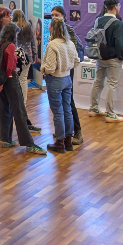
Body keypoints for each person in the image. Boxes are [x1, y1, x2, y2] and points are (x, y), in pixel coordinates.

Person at [0, 23, 46, 155]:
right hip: (10, 80)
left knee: (5, 110)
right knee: (20, 112)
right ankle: (29, 144)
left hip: (0, 81)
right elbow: (10, 67)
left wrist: (0, 83)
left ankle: (6, 139)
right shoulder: (11, 46)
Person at [41, 19, 80, 153]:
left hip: (55, 80)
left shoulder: (52, 45)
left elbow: (50, 68)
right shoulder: (70, 43)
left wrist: (44, 70)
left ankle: (59, 141)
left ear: (53, 28)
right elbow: (76, 61)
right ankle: (68, 141)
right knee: (67, 110)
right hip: (67, 78)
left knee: (58, 112)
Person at [89, 0, 123, 123]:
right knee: (111, 84)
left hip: (99, 57)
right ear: (115, 6)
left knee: (98, 82)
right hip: (113, 58)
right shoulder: (117, 23)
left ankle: (93, 109)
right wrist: (121, 57)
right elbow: (120, 43)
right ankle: (110, 114)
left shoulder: (97, 20)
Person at [50, 6, 84, 144]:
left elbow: (73, 48)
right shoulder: (53, 31)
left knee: (68, 102)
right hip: (59, 70)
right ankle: (63, 131)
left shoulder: (67, 29)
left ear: (63, 16)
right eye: (52, 15)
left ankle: (78, 132)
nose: (54, 17)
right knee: (61, 103)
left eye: (57, 15)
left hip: (66, 70)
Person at [12, 10, 41, 134]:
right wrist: (34, 55)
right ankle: (23, 99)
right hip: (28, 56)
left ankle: (18, 97)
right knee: (24, 77)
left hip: (18, 55)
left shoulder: (14, 27)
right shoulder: (28, 26)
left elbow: (15, 43)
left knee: (17, 78)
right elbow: (33, 42)